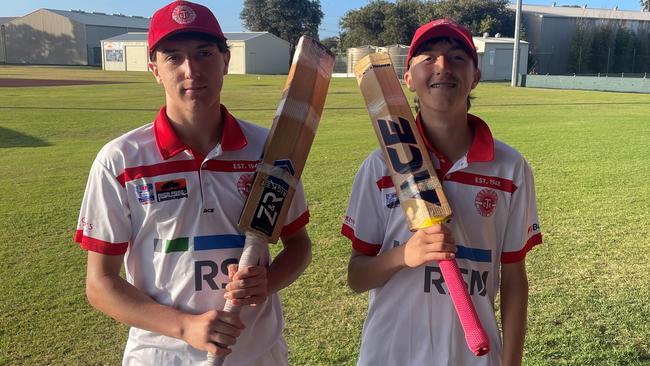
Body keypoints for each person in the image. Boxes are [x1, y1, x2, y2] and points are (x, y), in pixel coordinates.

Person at [74, 1, 312, 365]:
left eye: (204, 53)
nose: (191, 70)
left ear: (225, 60)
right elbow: (100, 285)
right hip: (161, 355)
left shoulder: (271, 149)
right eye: (174, 57)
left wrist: (269, 281)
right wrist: (186, 326)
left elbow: (298, 246)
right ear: (154, 68)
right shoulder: (121, 160)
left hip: (258, 353)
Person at [342, 19, 542, 366]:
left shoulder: (510, 169)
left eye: (457, 57)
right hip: (389, 354)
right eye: (428, 58)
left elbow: (513, 278)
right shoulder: (379, 167)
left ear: (475, 75)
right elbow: (357, 277)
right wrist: (404, 255)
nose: (442, 67)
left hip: (474, 356)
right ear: (408, 78)